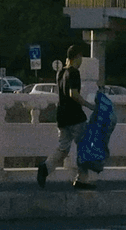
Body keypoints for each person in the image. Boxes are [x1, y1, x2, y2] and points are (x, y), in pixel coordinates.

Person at [36, 47, 91, 189]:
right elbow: (73, 94)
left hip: (62, 116)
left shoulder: (60, 73)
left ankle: (45, 168)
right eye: (81, 58)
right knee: (85, 146)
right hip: (76, 117)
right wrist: (89, 105)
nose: (81, 61)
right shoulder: (74, 73)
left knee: (63, 148)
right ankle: (82, 180)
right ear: (77, 57)